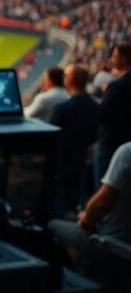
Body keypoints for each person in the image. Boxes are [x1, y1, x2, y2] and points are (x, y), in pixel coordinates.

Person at [49, 140, 131, 277]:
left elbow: (102, 204)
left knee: (51, 226)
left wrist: (86, 221)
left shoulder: (127, 152)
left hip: (114, 245)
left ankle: (85, 278)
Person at [50, 65, 100, 216]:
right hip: (81, 159)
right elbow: (95, 135)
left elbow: (50, 135)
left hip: (60, 162)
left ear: (70, 80)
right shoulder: (95, 107)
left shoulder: (62, 108)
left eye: (66, 75)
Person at [97, 44, 131, 184]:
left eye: (114, 56)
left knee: (104, 186)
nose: (111, 59)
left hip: (111, 144)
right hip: (126, 141)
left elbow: (101, 114)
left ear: (123, 59)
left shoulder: (117, 86)